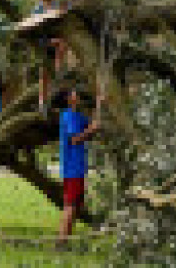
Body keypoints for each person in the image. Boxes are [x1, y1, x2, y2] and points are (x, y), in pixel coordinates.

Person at [58, 87, 101, 244]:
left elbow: (92, 125)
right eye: (74, 93)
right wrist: (91, 130)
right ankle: (61, 242)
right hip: (72, 168)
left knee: (75, 205)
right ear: (69, 99)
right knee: (70, 206)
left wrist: (98, 103)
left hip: (77, 168)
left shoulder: (77, 116)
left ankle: (66, 240)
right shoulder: (68, 116)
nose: (78, 94)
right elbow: (75, 139)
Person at [34, 0, 67, 115]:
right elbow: (36, 28)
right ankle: (42, 103)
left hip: (56, 40)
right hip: (43, 42)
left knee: (63, 43)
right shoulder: (38, 9)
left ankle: (59, 75)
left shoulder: (56, 7)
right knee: (44, 74)